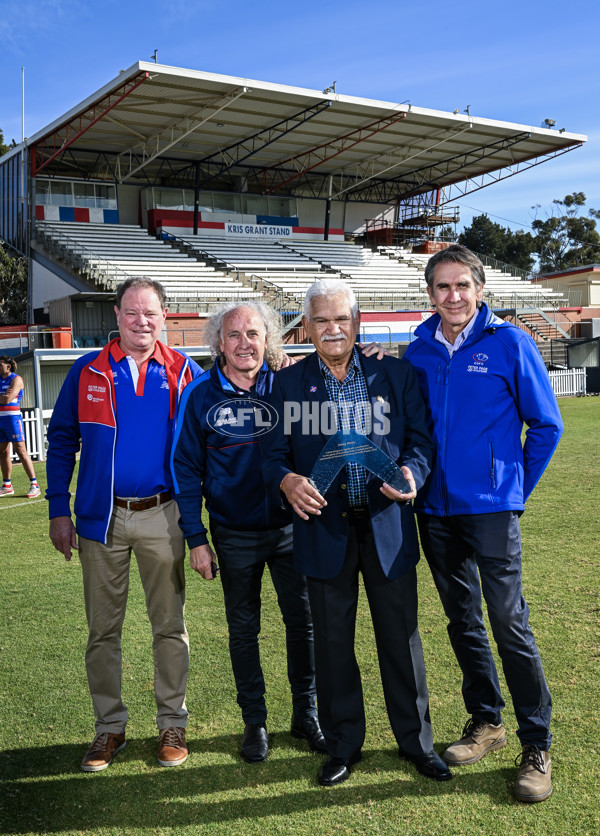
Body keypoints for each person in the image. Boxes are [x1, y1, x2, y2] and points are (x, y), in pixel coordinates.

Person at [262, 278, 451, 787]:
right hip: (323, 531)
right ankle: (344, 745)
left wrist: (412, 471)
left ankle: (417, 743)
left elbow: (420, 440)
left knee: (401, 640)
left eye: (341, 319)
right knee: (332, 644)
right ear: (307, 327)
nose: (332, 329)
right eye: (321, 320)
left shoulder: (394, 372)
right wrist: (287, 479)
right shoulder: (286, 383)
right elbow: (272, 454)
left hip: (387, 526)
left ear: (357, 322)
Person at [403, 244, 563, 804]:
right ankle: (486, 721)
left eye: (462, 286)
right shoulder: (416, 350)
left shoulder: (509, 343)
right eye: (442, 287)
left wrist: (511, 490)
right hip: (436, 512)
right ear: (429, 294)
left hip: (492, 510)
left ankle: (536, 742)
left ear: (478, 288)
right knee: (462, 620)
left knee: (508, 622)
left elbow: (546, 426)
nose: (453, 296)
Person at [46, 277, 203, 773]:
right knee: (102, 632)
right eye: (132, 312)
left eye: (150, 313)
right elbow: (61, 442)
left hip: (164, 515)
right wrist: (57, 509)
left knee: (169, 628)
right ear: (116, 316)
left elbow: (231, 397)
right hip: (101, 519)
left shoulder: (185, 372)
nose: (142, 321)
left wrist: (278, 364)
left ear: (164, 316)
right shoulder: (87, 370)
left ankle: (171, 723)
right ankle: (108, 729)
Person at [171, 301, 326, 763]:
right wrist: (196, 538)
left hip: (293, 528)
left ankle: (306, 714)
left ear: (268, 340)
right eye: (234, 335)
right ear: (220, 342)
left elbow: (335, 393)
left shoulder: (289, 385)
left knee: (304, 624)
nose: (245, 344)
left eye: (254, 334)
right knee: (244, 629)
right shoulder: (199, 395)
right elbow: (184, 470)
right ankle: (254, 722)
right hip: (234, 535)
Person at [0, 356, 41, 498]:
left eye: (0, 365)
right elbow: (3, 397)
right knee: (3, 452)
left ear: (8, 366)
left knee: (21, 450)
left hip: (12, 418)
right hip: (0, 419)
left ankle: (34, 485)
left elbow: (7, 399)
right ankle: (7, 485)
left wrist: (4, 397)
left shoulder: (16, 379)